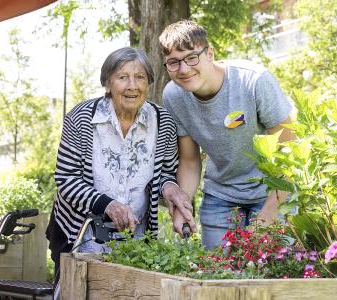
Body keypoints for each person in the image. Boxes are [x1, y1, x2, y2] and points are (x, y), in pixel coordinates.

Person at [45, 47, 195, 282]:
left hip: (136, 238)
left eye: (140, 77)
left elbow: (165, 173)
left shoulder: (163, 122)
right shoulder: (82, 118)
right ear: (107, 83)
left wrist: (172, 190)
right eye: (123, 77)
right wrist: (108, 205)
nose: (132, 86)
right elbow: (66, 178)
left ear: (149, 83)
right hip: (80, 235)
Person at [159, 20, 296, 250]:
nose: (183, 69)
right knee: (218, 272)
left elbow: (291, 153)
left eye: (192, 57)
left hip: (271, 191)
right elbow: (190, 160)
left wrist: (270, 212)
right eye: (173, 62)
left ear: (210, 53)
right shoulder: (174, 96)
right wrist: (183, 204)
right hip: (220, 196)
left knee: (274, 271)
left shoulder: (253, 81)